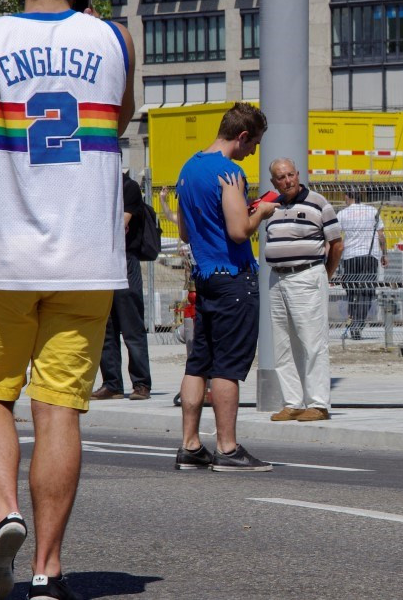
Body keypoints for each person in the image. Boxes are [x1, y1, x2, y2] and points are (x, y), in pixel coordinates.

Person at [0, 0, 135, 600]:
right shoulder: (115, 37)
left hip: (3, 251)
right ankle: (48, 569)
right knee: (59, 407)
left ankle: (5, 511)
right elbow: (119, 118)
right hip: (88, 254)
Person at [174, 102, 277, 472]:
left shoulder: (189, 168)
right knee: (227, 367)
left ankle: (189, 445)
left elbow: (185, 232)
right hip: (233, 278)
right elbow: (238, 231)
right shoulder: (229, 173)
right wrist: (261, 212)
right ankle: (228, 449)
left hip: (204, 277)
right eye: (254, 144)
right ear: (243, 136)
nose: (253, 153)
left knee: (197, 363)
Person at [264, 158, 343, 422]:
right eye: (281, 177)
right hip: (277, 279)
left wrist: (323, 273)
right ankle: (293, 402)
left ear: (298, 174)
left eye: (290, 175)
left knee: (313, 342)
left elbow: (337, 244)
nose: (287, 181)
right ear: (273, 181)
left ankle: (318, 403)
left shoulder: (318, 203)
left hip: (307, 275)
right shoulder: (272, 207)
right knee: (283, 343)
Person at [92, 170, 153, 402]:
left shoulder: (128, 187)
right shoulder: (97, 188)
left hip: (124, 259)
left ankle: (141, 384)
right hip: (101, 261)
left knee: (131, 328)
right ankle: (112, 384)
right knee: (105, 328)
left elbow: (118, 227)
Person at [336, 189, 387, 340]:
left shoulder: (342, 214)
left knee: (351, 290)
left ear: (347, 196)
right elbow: (381, 236)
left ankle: (352, 320)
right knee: (367, 292)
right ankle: (358, 324)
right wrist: (385, 254)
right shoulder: (372, 211)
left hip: (350, 256)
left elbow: (336, 238)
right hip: (369, 255)